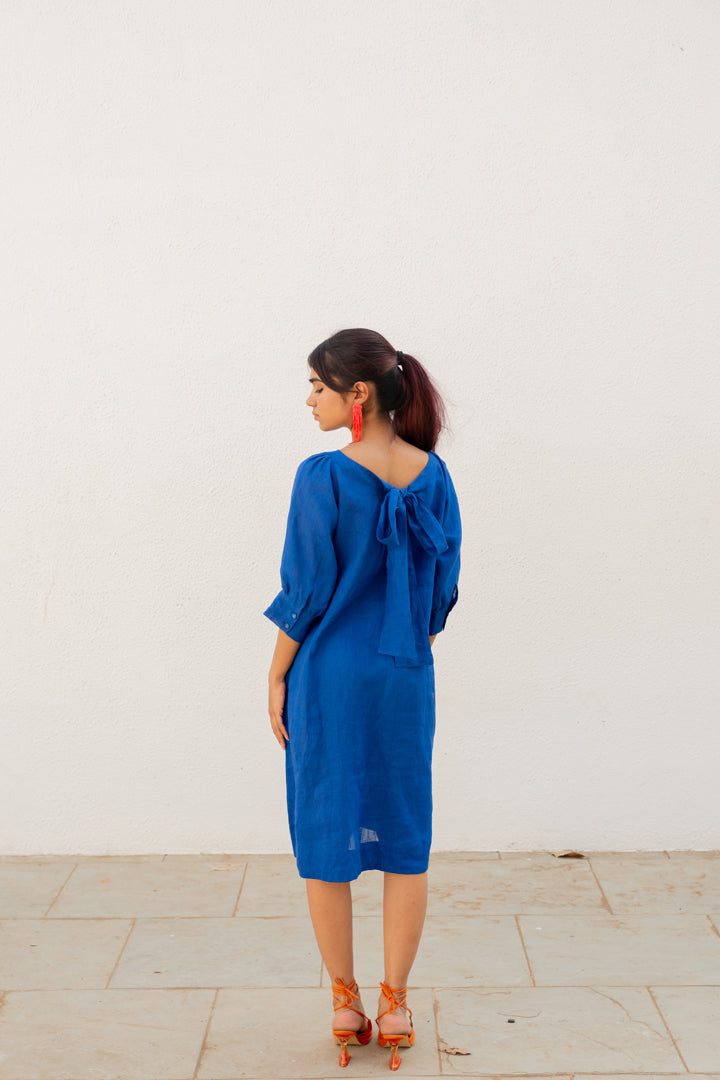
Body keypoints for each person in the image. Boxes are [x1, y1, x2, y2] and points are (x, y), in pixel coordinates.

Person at [264, 328, 461, 1071]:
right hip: (404, 674)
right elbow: (441, 592)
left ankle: (345, 1003)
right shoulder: (432, 474)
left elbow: (306, 589)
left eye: (317, 386)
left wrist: (276, 673)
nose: (308, 400)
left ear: (358, 393)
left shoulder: (321, 476)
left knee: (326, 829)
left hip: (330, 677)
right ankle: (396, 1002)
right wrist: (403, 645)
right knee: (406, 835)